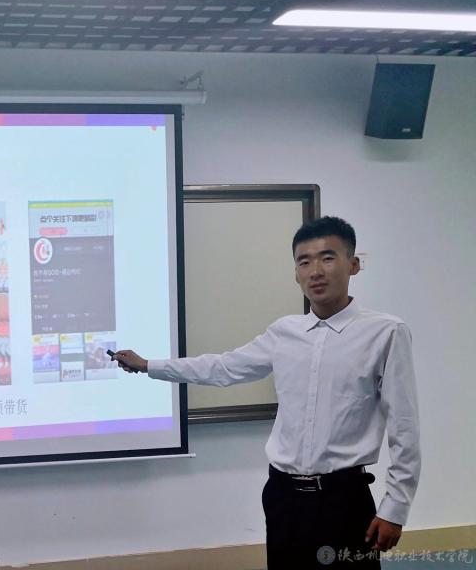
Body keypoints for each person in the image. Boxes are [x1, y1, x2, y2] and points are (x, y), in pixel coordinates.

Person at [113, 216, 419, 569]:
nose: (315, 271)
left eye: (327, 258)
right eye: (304, 262)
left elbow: (405, 427)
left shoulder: (385, 333)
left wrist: (396, 507)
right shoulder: (284, 332)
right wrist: (148, 365)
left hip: (344, 500)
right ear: (296, 274)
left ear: (353, 265)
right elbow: (223, 368)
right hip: (283, 497)